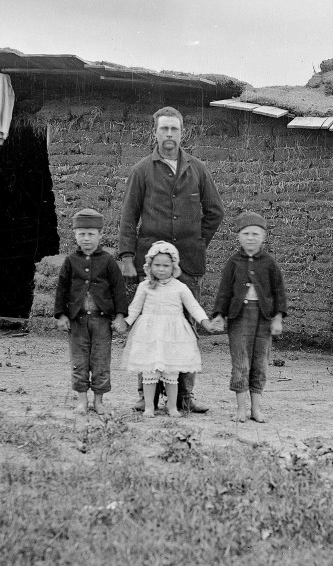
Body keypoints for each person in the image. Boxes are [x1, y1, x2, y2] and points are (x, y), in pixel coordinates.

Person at [119, 106, 225, 413]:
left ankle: (185, 396)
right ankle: (145, 394)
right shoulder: (142, 170)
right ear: (155, 132)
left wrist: (196, 242)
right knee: (148, 329)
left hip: (188, 265)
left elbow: (215, 211)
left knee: (187, 330)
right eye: (164, 129)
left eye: (174, 129)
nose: (169, 135)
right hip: (151, 265)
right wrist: (127, 256)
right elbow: (129, 215)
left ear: (183, 132)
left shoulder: (198, 169)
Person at [121, 242, 215, 417]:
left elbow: (194, 307)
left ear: (174, 267)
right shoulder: (144, 286)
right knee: (150, 371)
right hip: (149, 335)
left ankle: (172, 407)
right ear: (149, 266)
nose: (162, 269)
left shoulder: (180, 287)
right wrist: (125, 323)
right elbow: (134, 308)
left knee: (171, 371)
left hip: (173, 336)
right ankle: (149, 406)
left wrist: (205, 322)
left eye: (166, 265)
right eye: (157, 265)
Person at [211, 211, 287, 423]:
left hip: (264, 319)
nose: (251, 238)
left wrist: (278, 318)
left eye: (255, 234)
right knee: (241, 363)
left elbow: (279, 293)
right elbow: (224, 292)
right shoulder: (233, 263)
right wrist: (219, 315)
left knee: (260, 363)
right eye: (246, 233)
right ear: (238, 236)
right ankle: (241, 409)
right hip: (239, 319)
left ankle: (256, 409)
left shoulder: (269, 263)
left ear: (263, 237)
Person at [54, 208, 129, 415]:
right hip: (77, 321)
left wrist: (120, 316)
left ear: (100, 235)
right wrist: (61, 314)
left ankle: (98, 401)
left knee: (101, 360)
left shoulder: (108, 261)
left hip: (102, 321)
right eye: (82, 234)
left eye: (91, 234)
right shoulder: (70, 261)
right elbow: (62, 289)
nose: (86, 238)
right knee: (79, 361)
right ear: (75, 235)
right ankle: (81, 401)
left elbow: (118, 289)